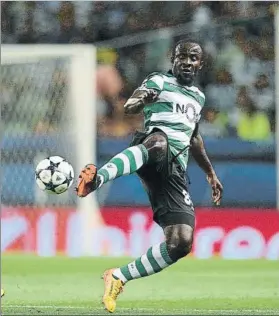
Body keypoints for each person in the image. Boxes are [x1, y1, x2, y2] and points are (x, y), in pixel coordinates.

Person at [76, 39, 223, 313]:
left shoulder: (198, 98)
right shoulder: (159, 80)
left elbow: (194, 137)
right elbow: (129, 106)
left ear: (200, 64)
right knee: (159, 142)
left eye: (193, 58)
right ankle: (96, 180)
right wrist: (143, 98)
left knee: (181, 242)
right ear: (174, 59)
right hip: (151, 148)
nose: (187, 62)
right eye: (183, 57)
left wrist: (211, 173)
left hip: (174, 170)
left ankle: (118, 276)